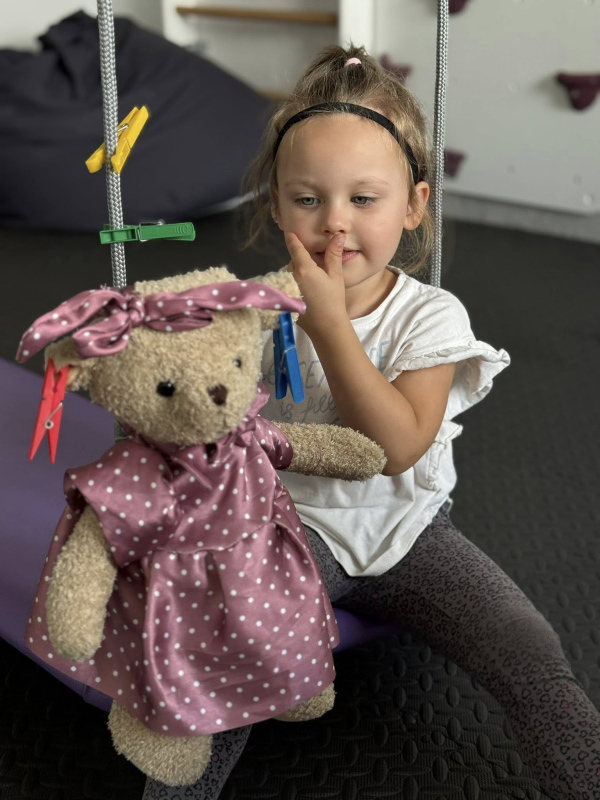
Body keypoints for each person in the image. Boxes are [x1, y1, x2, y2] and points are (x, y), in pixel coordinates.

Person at [143, 45, 600, 800]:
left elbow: (394, 448)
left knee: (530, 651)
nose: (335, 224)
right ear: (276, 205)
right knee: (223, 663)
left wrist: (329, 325)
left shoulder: (430, 316)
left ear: (413, 205)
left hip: (409, 534)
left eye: (364, 198)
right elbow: (201, 411)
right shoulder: (259, 308)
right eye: (307, 199)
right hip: (285, 534)